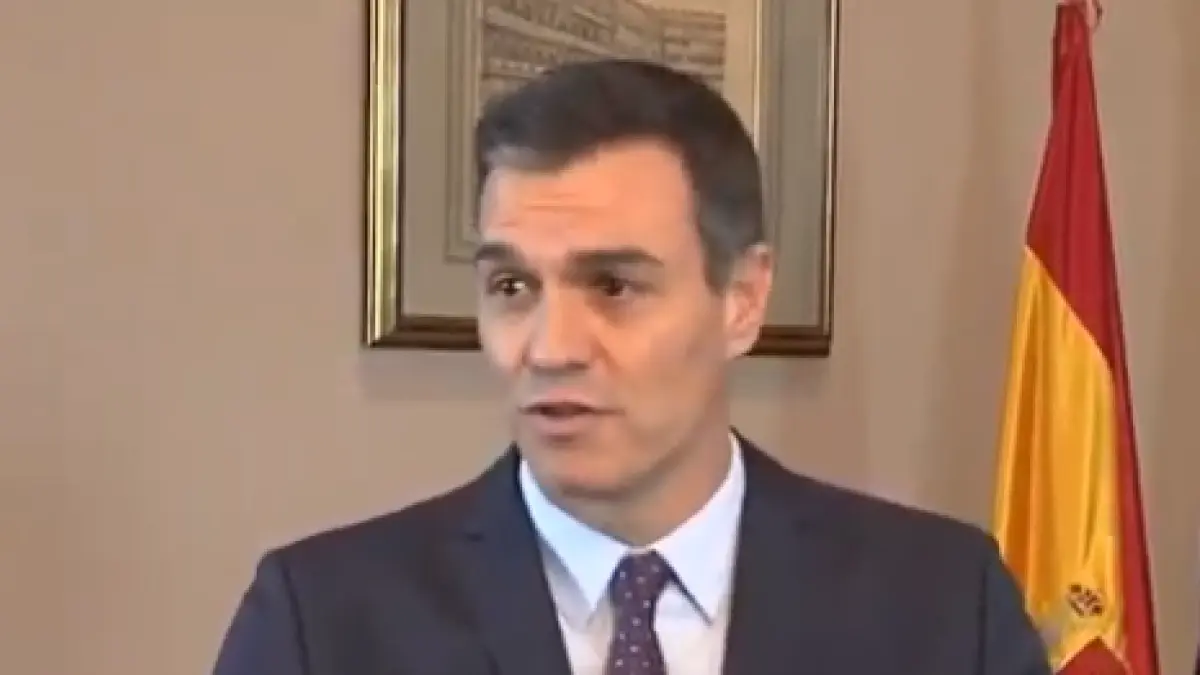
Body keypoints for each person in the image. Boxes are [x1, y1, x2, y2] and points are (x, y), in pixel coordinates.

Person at [212, 58, 1051, 675]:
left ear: (743, 299)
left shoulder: (944, 608)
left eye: (613, 286)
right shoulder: (321, 625)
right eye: (512, 286)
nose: (550, 347)